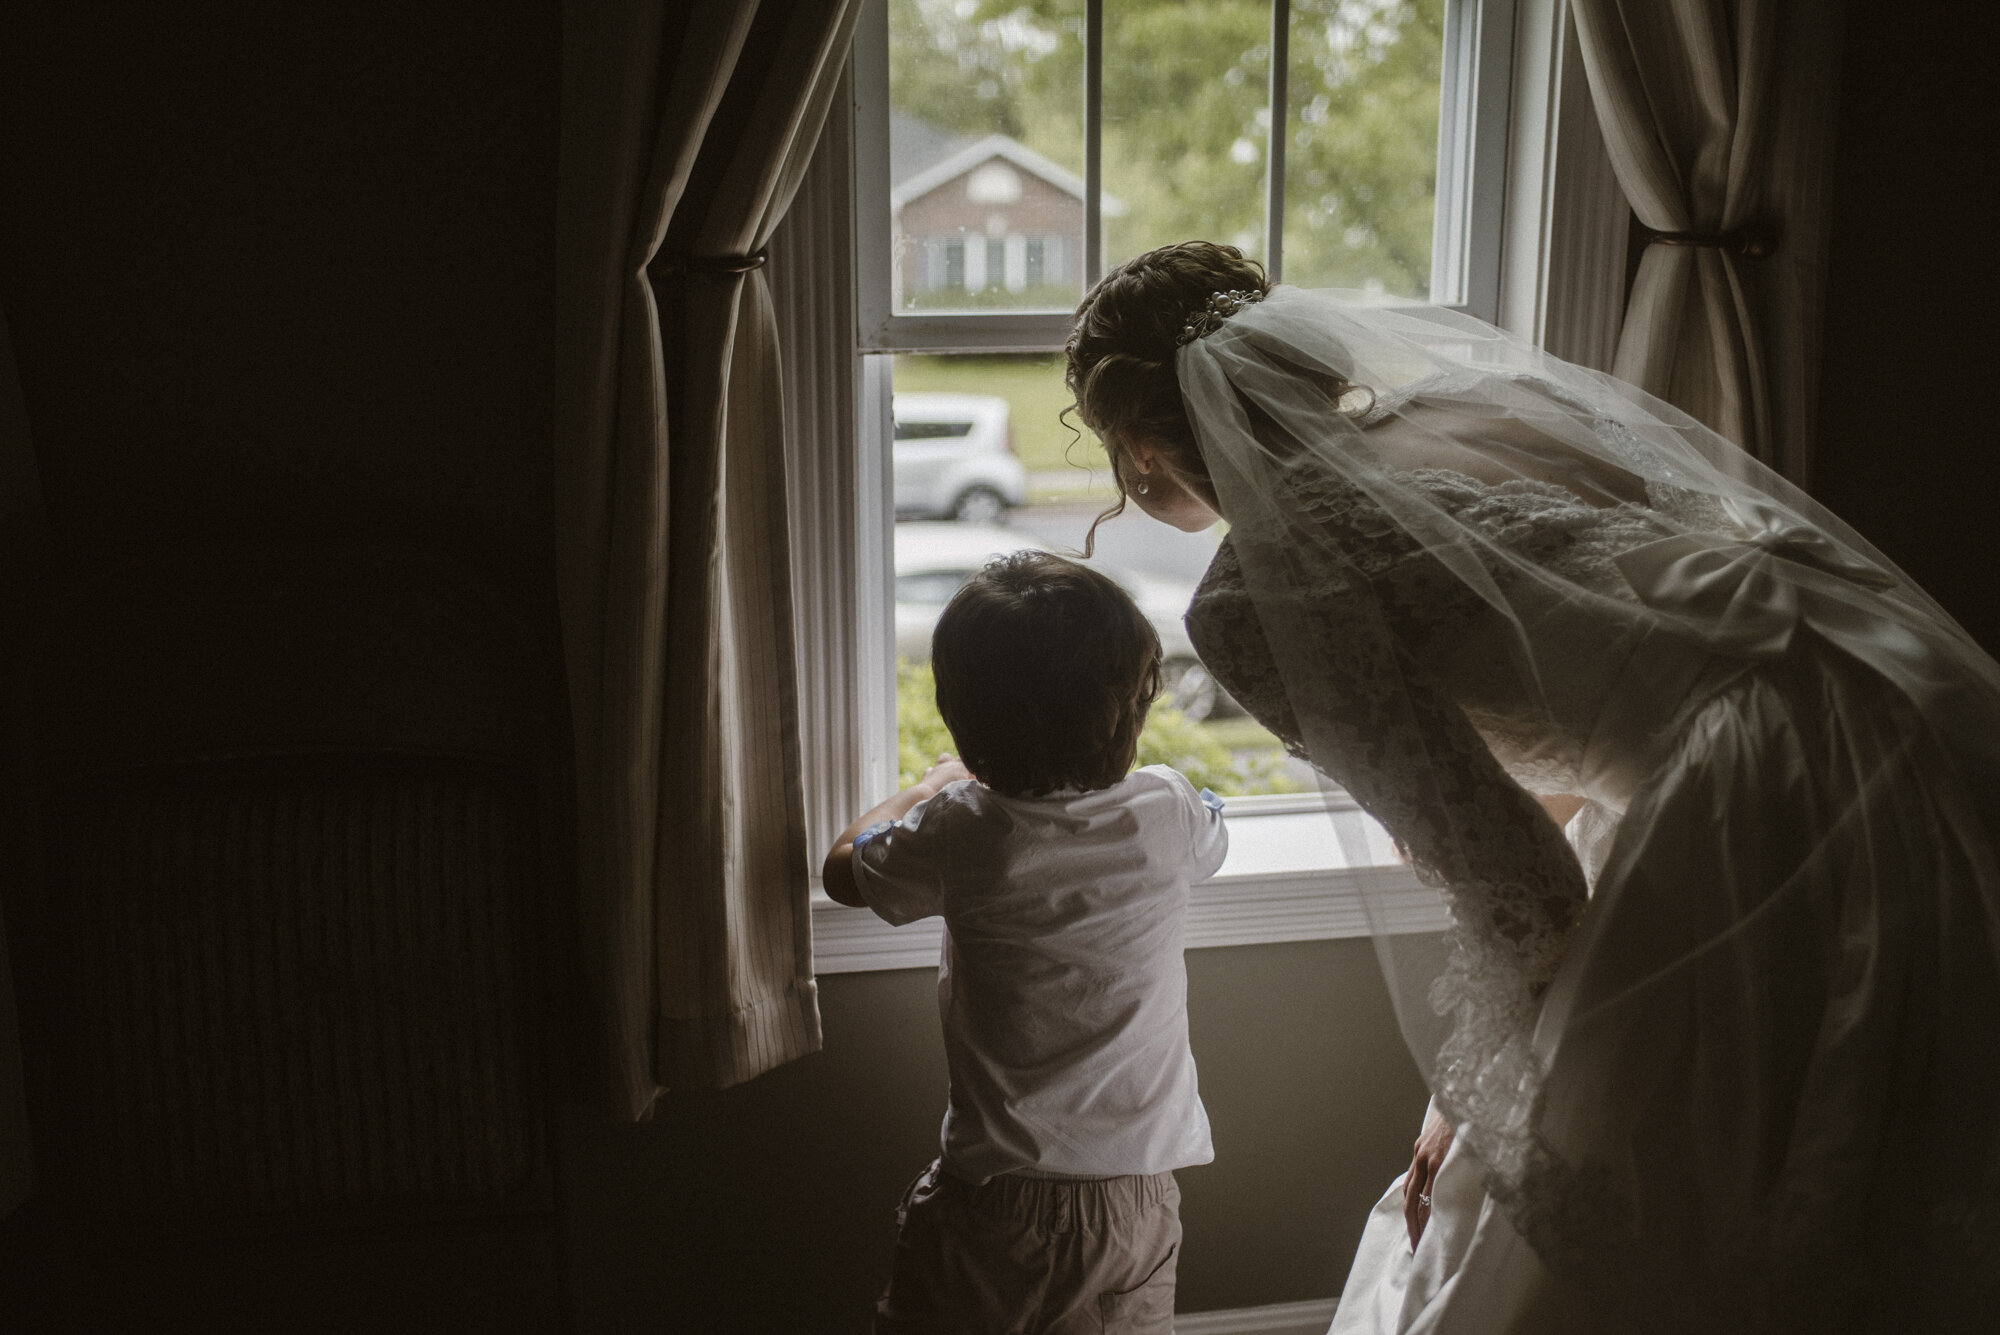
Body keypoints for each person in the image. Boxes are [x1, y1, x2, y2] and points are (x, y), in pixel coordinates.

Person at [1062, 241, 2000, 1333]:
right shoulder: (1481, 402)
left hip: (1763, 791)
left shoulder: (1256, 593)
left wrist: (1468, 1101)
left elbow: (1518, 888)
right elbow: (1589, 704)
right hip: (1882, 679)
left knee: (1671, 1209)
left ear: (1137, 446)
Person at [823, 549, 1230, 1335]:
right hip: (1136, 1195)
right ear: (1131, 705)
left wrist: (927, 785)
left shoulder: (965, 829)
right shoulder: (1168, 811)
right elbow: (1215, 843)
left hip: (997, 1198)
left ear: (966, 720)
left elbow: (844, 870)